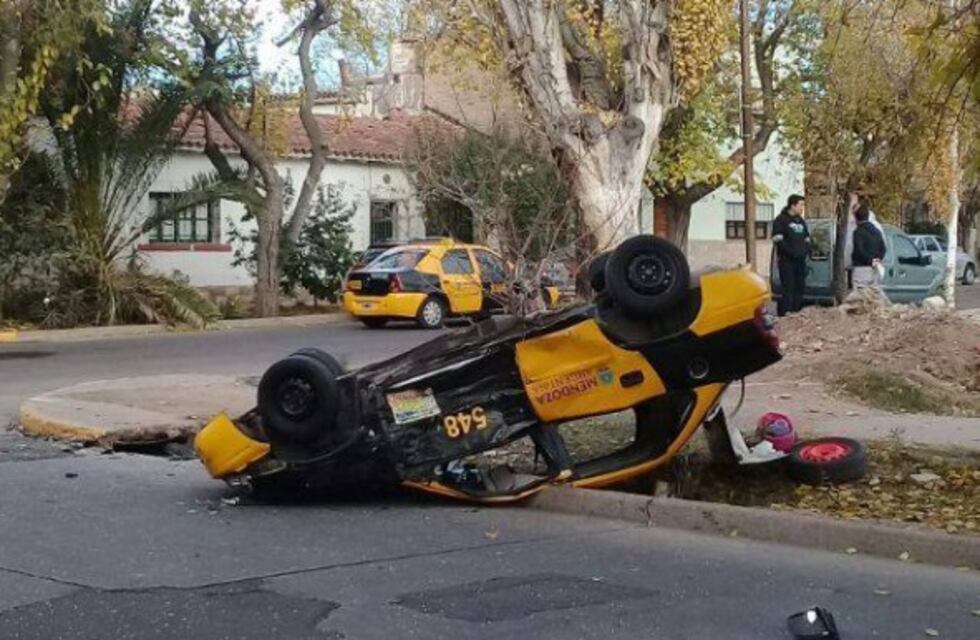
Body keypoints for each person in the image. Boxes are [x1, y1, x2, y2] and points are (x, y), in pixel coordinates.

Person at [772, 194, 810, 316]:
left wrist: (804, 251)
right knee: (788, 286)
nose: (802, 208)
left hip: (800, 261)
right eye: (801, 205)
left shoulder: (801, 221)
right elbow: (778, 240)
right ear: (792, 205)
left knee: (800, 286)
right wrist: (792, 252)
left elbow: (807, 239)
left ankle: (797, 310)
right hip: (786, 260)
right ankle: (787, 312)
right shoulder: (781, 220)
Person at [851, 203, 886, 288]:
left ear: (856, 218)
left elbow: (859, 251)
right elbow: (883, 249)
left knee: (860, 296)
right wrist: (876, 261)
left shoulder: (858, 232)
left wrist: (870, 261)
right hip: (874, 269)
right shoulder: (877, 231)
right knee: (872, 296)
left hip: (861, 269)